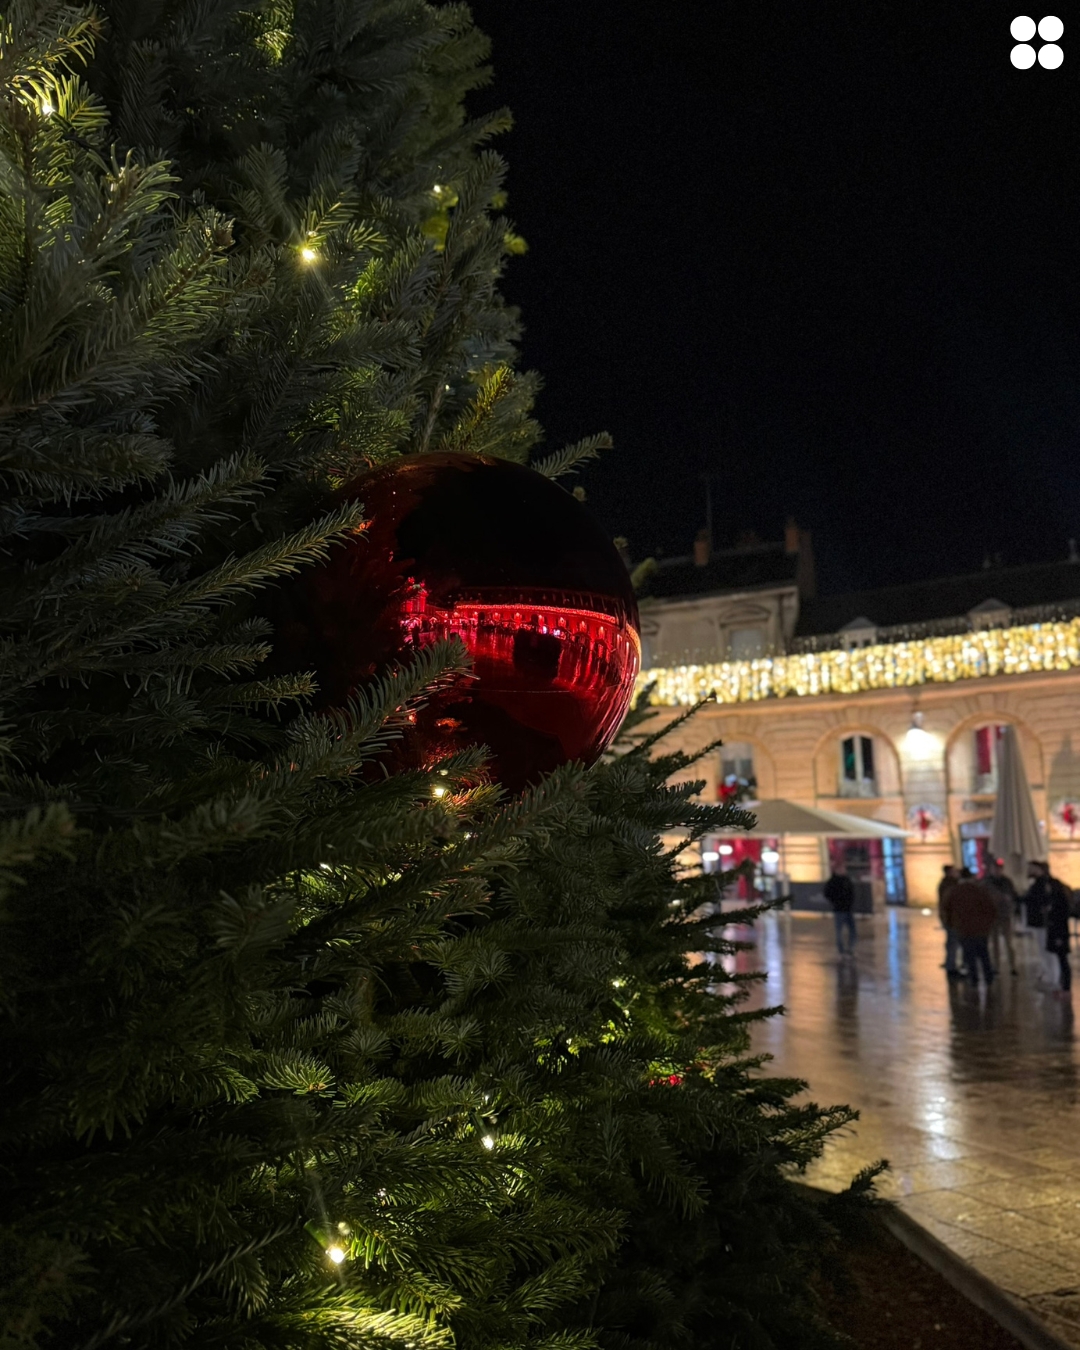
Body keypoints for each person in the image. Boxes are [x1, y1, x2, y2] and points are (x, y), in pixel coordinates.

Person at [940, 869, 997, 987]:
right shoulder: (980, 891)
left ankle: (974, 979)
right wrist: (988, 924)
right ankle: (988, 977)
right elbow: (991, 908)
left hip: (963, 928)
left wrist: (951, 924)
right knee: (983, 953)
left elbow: (946, 909)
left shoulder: (954, 892)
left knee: (969, 954)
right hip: (981, 929)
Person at [1029, 861, 1072, 997]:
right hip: (1054, 927)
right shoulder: (1053, 886)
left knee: (1058, 957)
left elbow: (1058, 907)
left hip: (1056, 928)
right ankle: (1060, 984)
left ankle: (1062, 985)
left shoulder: (1052, 889)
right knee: (1057, 956)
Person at [984, 857, 1019, 976]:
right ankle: (996, 966)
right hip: (992, 916)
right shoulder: (986, 882)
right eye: (996, 868)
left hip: (1005, 915)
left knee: (1009, 942)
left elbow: (1014, 895)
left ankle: (1012, 966)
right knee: (994, 943)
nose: (997, 870)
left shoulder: (1007, 881)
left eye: (999, 868)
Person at [823, 864, 856, 956]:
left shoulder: (846, 880)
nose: (843, 870)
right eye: (841, 868)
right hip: (840, 909)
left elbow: (851, 892)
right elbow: (827, 893)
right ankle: (841, 949)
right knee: (840, 931)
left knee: (851, 930)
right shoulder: (833, 881)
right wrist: (836, 902)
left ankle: (850, 948)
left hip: (847, 908)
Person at [937, 864, 961, 978]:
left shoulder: (945, 884)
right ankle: (951, 966)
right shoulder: (950, 885)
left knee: (951, 941)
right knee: (952, 942)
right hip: (952, 918)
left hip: (949, 917)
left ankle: (950, 964)